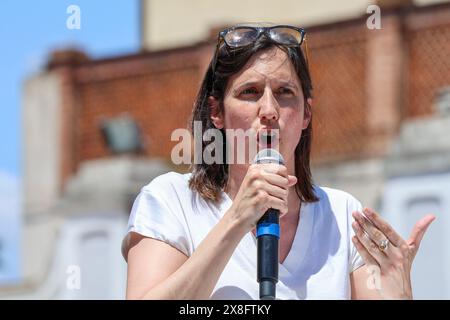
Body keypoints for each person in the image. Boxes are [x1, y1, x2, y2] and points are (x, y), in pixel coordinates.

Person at [121, 24, 435, 300]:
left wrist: (401, 292)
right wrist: (236, 220)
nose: (269, 110)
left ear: (306, 114)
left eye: (285, 92)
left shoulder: (342, 217)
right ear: (217, 112)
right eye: (250, 92)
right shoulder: (172, 201)